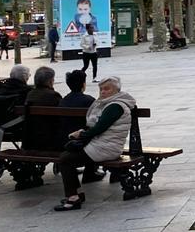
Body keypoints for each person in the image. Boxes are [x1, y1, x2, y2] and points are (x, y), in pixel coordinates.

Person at [54, 76, 136, 211]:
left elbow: (99, 128)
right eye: (101, 89)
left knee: (65, 159)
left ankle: (73, 198)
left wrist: (81, 135)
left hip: (107, 147)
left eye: (107, 89)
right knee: (67, 155)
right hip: (102, 144)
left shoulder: (115, 106)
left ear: (117, 90)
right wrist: (82, 133)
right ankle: (76, 194)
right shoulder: (108, 104)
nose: (103, 92)